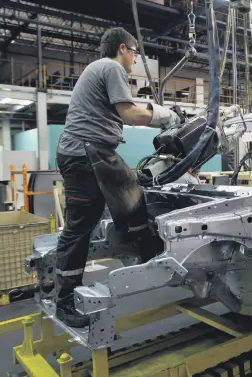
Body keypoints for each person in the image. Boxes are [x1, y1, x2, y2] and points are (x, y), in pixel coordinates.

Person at [54, 27, 180, 327]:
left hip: (89, 152)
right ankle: (65, 300)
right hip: (86, 154)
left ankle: (146, 251)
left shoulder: (97, 69)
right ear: (123, 48)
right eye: (135, 53)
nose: (135, 59)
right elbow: (129, 114)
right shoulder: (111, 67)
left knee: (130, 192)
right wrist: (169, 116)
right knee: (80, 226)